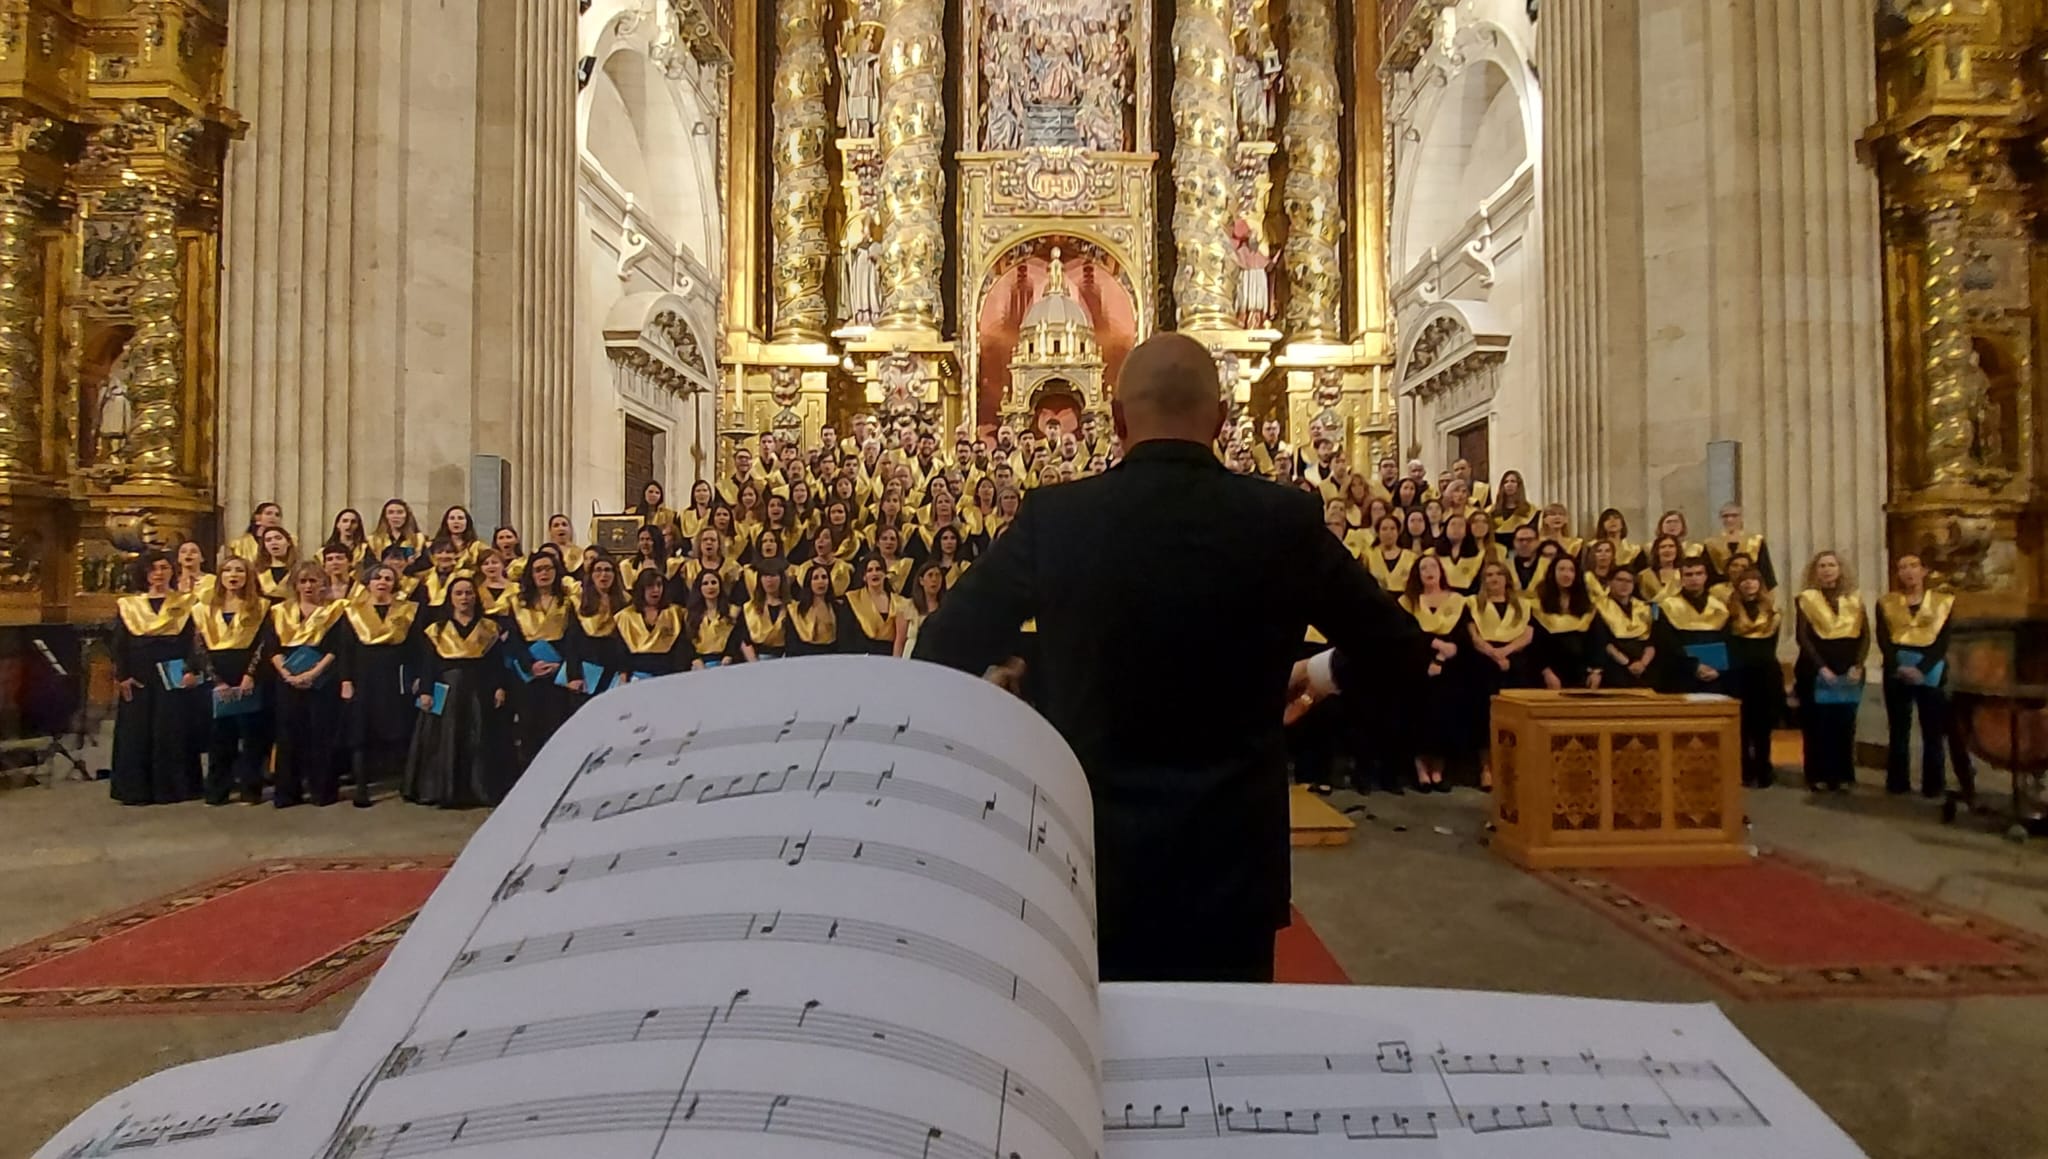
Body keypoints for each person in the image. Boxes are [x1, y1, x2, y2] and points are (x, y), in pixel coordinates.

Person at [915, 332, 1421, 984]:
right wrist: (1317, 674)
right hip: (1231, 870)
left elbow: (940, 648)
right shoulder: (1282, 520)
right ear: (1221, 420)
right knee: (1221, 1067)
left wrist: (1023, 681)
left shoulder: (1056, 519)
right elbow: (1399, 648)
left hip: (1091, 863)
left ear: (1117, 419)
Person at [402, 574, 510, 807]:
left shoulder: (489, 628)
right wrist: (426, 691)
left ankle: (478, 790)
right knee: (444, 741)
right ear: (450, 598)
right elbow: (428, 663)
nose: (464, 598)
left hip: (478, 691)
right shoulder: (436, 630)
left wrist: (499, 687)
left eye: (469, 593)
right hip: (447, 690)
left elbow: (496, 663)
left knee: (478, 740)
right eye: (458, 593)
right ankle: (443, 790)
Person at [109, 551, 201, 805]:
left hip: (173, 670)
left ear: (172, 571)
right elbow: (119, 643)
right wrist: (123, 675)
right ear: (144, 574)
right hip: (139, 674)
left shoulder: (187, 603)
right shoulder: (129, 605)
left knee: (172, 728)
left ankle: (174, 787)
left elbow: (194, 641)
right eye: (153, 569)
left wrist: (192, 669)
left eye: (164, 567)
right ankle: (135, 789)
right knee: (137, 731)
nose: (159, 573)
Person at [1877, 553, 1968, 799]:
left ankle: (1933, 784)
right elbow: (1884, 639)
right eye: (1902, 567)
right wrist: (1899, 666)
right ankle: (1897, 783)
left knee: (1932, 731)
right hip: (1897, 668)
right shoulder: (1886, 602)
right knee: (1898, 729)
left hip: (1930, 668)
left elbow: (1942, 641)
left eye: (1913, 566)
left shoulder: (1943, 601)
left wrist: (1922, 668)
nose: (1907, 571)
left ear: (1924, 571)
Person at [262, 562, 349, 807]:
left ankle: (322, 791)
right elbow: (272, 647)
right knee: (288, 736)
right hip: (287, 680)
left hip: (322, 680)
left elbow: (336, 648)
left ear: (323, 583)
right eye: (303, 581)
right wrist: (287, 674)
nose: (308, 586)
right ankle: (288, 792)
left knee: (321, 735)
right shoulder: (278, 612)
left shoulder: (336, 612)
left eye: (313, 581)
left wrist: (313, 673)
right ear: (295, 585)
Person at [343, 563, 423, 806]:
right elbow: (346, 649)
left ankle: (406, 783)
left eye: (388, 578)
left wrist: (417, 675)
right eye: (377, 577)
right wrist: (346, 680)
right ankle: (361, 787)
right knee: (361, 730)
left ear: (394, 584)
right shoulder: (352, 611)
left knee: (400, 727)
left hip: (395, 675)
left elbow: (417, 646)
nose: (382, 582)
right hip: (363, 675)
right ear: (368, 583)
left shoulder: (408, 610)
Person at [194, 557, 269, 805]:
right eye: (227, 570)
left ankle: (250, 788)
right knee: (219, 737)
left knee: (252, 737)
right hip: (218, 675)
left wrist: (251, 675)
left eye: (239, 570)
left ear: (248, 576)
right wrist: (217, 681)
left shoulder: (261, 607)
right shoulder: (205, 609)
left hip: (250, 673)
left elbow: (264, 644)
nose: (233, 574)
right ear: (220, 576)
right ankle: (217, 789)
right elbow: (199, 646)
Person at [1793, 551, 1867, 793]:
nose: (1827, 570)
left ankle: (1844, 775)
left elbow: (1865, 635)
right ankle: (1818, 774)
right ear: (1815, 571)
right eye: (1822, 566)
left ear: (1840, 569)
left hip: (1849, 666)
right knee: (1817, 724)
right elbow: (1803, 637)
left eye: (1831, 565)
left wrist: (1858, 665)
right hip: (1816, 667)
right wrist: (1822, 668)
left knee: (1845, 723)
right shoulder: (1806, 598)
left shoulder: (1854, 599)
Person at [1403, 555, 1477, 792]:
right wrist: (1434, 649)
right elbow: (1407, 634)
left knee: (1445, 716)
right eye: (1423, 567)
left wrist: (1443, 656)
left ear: (1441, 571)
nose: (1428, 571)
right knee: (1418, 716)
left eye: (1433, 566)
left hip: (1451, 668)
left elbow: (1461, 637)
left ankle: (1438, 770)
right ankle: (1421, 770)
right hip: (1418, 666)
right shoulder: (1408, 602)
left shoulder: (1457, 601)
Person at [505, 551, 577, 771]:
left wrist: (561, 666)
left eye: (548, 568)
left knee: (558, 727)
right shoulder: (518, 603)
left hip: (558, 673)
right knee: (529, 727)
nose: (544, 574)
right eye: (538, 569)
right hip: (530, 674)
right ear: (531, 574)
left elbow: (574, 639)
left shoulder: (568, 602)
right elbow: (513, 640)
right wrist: (531, 665)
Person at [1727, 568, 1782, 788]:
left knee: (1763, 724)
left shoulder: (1772, 611)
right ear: (1738, 585)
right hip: (1740, 672)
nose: (1749, 584)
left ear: (1760, 584)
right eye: (1745, 581)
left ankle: (1764, 768)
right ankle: (1745, 769)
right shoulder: (1729, 610)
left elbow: (1773, 643)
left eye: (1754, 580)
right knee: (1742, 724)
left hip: (1766, 670)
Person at [1653, 558, 1731, 695]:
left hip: (1714, 677)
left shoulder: (1719, 607)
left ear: (1706, 577)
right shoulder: (1668, 606)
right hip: (1679, 676)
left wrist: (1718, 670)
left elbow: (1728, 642)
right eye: (1688, 575)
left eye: (1698, 573)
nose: (1694, 578)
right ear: (1681, 579)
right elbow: (1666, 643)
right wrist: (1694, 666)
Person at [1531, 555, 1598, 690]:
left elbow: (1596, 640)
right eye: (1561, 569)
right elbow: (1536, 644)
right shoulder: (1539, 605)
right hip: (1549, 674)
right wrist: (1546, 672)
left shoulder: (1587, 606)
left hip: (1581, 674)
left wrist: (1596, 671)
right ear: (1553, 573)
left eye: (1571, 570)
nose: (1566, 574)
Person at [1592, 567, 1657, 688]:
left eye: (1629, 581)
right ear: (1609, 582)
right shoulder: (1600, 607)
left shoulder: (1643, 607)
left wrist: (1642, 663)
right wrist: (1628, 663)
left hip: (1643, 667)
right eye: (1620, 580)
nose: (1624, 585)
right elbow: (1605, 642)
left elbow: (1651, 642)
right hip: (1615, 667)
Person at [847, 556, 912, 656]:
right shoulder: (852, 599)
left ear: (885, 574)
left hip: (889, 657)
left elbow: (900, 640)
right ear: (864, 577)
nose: (874, 573)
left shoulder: (900, 602)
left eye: (878, 569)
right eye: (870, 570)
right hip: (862, 657)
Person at [685, 570, 746, 668]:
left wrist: (728, 657)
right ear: (699, 588)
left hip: (726, 663)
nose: (710, 587)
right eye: (705, 583)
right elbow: (687, 643)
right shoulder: (690, 615)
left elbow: (736, 638)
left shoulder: (733, 611)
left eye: (714, 582)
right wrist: (697, 661)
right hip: (699, 665)